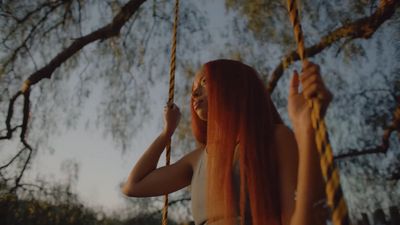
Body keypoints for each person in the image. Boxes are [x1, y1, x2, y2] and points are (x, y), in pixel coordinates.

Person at [122, 59, 331, 225]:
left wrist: (307, 129)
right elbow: (134, 186)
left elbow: (299, 217)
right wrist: (166, 133)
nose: (194, 93)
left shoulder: (275, 137)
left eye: (204, 82)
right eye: (194, 87)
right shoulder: (197, 158)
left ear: (235, 86)